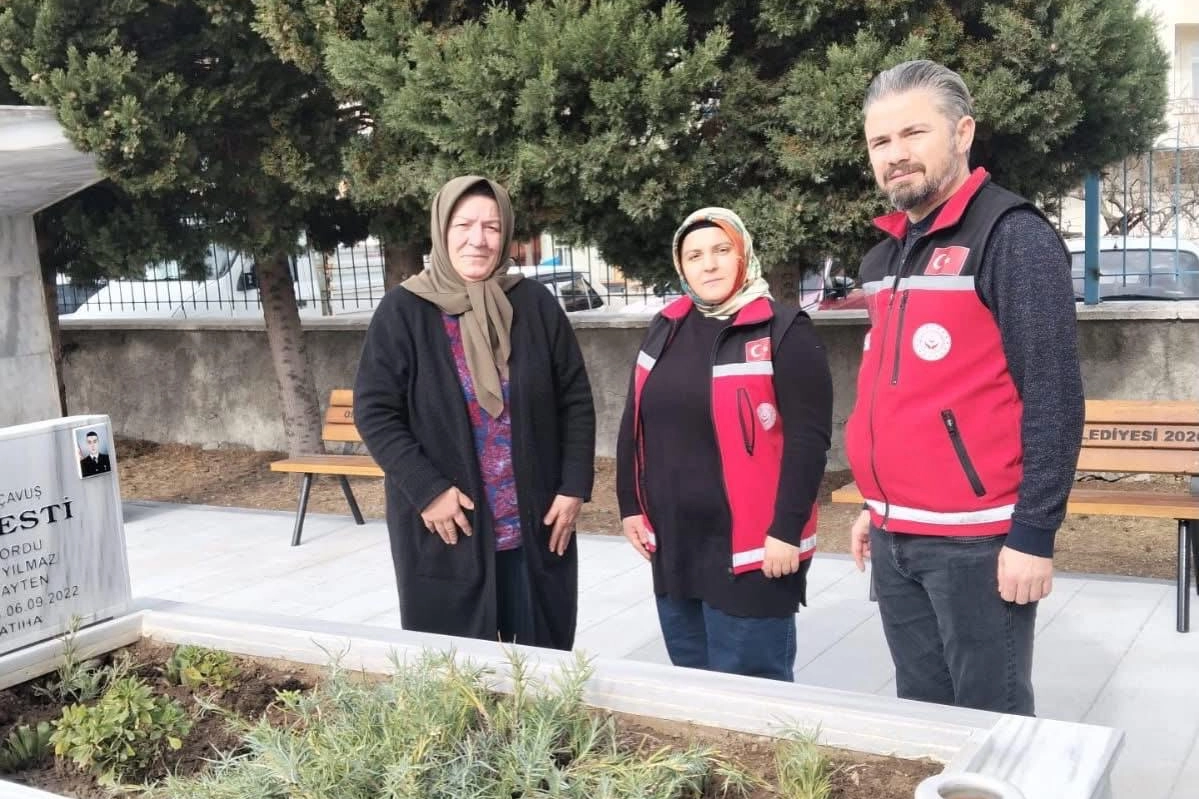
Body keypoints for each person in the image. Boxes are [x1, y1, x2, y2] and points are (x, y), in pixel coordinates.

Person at [844, 60, 1084, 715]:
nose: (895, 154)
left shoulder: (1011, 237)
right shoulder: (886, 256)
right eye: (880, 141)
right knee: (923, 716)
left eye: (913, 133)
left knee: (991, 722)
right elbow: (903, 396)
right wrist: (877, 501)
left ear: (962, 133)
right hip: (895, 534)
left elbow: (1054, 397)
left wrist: (1033, 533)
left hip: (976, 542)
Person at [353, 175, 596, 650]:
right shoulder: (404, 310)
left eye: (492, 226)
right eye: (463, 225)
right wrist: (427, 490)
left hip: (535, 526)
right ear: (442, 230)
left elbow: (575, 400)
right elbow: (375, 411)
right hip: (449, 527)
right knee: (457, 671)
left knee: (539, 668)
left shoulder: (535, 305)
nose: (478, 239)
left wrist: (573, 486)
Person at [615, 207, 832, 682]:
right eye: (694, 255)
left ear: (743, 255)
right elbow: (635, 418)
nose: (708, 264)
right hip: (676, 543)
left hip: (755, 548)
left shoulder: (782, 329)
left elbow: (808, 441)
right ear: (681, 266)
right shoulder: (666, 326)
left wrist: (786, 531)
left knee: (753, 692)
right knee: (694, 686)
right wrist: (630, 504)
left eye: (721, 250)